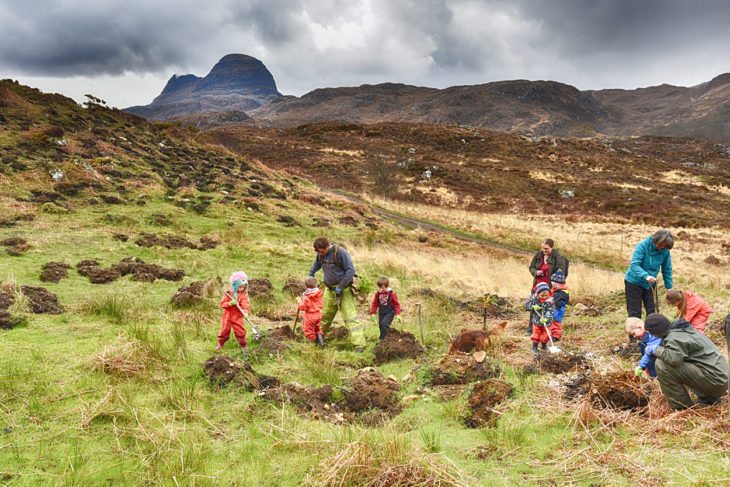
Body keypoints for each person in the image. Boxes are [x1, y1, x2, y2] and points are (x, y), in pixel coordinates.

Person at [643, 313, 729, 410]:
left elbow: (674, 359)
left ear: (657, 331)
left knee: (662, 364)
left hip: (715, 381)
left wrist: (655, 350)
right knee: (684, 362)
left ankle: (681, 407)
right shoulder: (681, 330)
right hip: (721, 377)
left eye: (651, 332)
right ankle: (708, 398)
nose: (651, 335)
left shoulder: (674, 337)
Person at [307, 237, 366, 352]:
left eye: (322, 251)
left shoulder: (339, 253)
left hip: (344, 290)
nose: (321, 254)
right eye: (319, 252)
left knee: (350, 317)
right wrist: (311, 273)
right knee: (323, 316)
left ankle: (359, 344)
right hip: (329, 290)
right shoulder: (320, 255)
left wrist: (341, 286)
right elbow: (316, 265)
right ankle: (319, 338)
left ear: (327, 246)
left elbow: (350, 270)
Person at [624, 229, 674, 319]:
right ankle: (634, 333)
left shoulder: (665, 251)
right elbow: (634, 265)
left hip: (650, 283)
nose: (661, 247)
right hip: (634, 282)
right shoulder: (642, 246)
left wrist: (669, 287)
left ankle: (653, 333)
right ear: (655, 240)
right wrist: (645, 276)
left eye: (664, 246)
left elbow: (667, 269)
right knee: (635, 313)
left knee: (653, 312)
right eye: (660, 245)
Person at [217, 271, 250, 351]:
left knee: (240, 331)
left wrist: (245, 312)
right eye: (240, 287)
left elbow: (245, 304)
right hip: (227, 316)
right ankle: (220, 344)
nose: (241, 289)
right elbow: (222, 304)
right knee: (224, 331)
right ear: (234, 285)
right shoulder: (227, 293)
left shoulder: (243, 295)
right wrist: (230, 303)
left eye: (243, 287)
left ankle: (243, 345)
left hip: (237, 316)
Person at [524, 282, 555, 354]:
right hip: (536, 321)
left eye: (546, 295)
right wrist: (532, 307)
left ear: (548, 292)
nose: (544, 297)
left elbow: (551, 310)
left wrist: (547, 318)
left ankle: (544, 345)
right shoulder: (533, 298)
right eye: (542, 295)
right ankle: (534, 347)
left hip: (547, 322)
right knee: (536, 334)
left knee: (546, 335)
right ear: (538, 293)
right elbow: (526, 305)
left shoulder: (550, 301)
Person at [298, 277, 325, 346]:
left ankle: (313, 344)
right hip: (318, 313)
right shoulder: (319, 293)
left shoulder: (306, 296)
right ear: (316, 285)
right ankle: (320, 340)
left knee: (309, 331)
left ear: (306, 286)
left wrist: (299, 302)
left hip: (310, 315)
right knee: (317, 328)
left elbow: (302, 307)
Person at [549, 269, 568, 341]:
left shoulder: (561, 293)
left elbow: (558, 303)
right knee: (552, 323)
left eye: (553, 282)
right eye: (552, 282)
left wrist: (555, 312)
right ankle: (552, 334)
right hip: (554, 309)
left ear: (559, 283)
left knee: (556, 323)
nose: (552, 283)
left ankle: (556, 336)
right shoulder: (555, 290)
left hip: (557, 310)